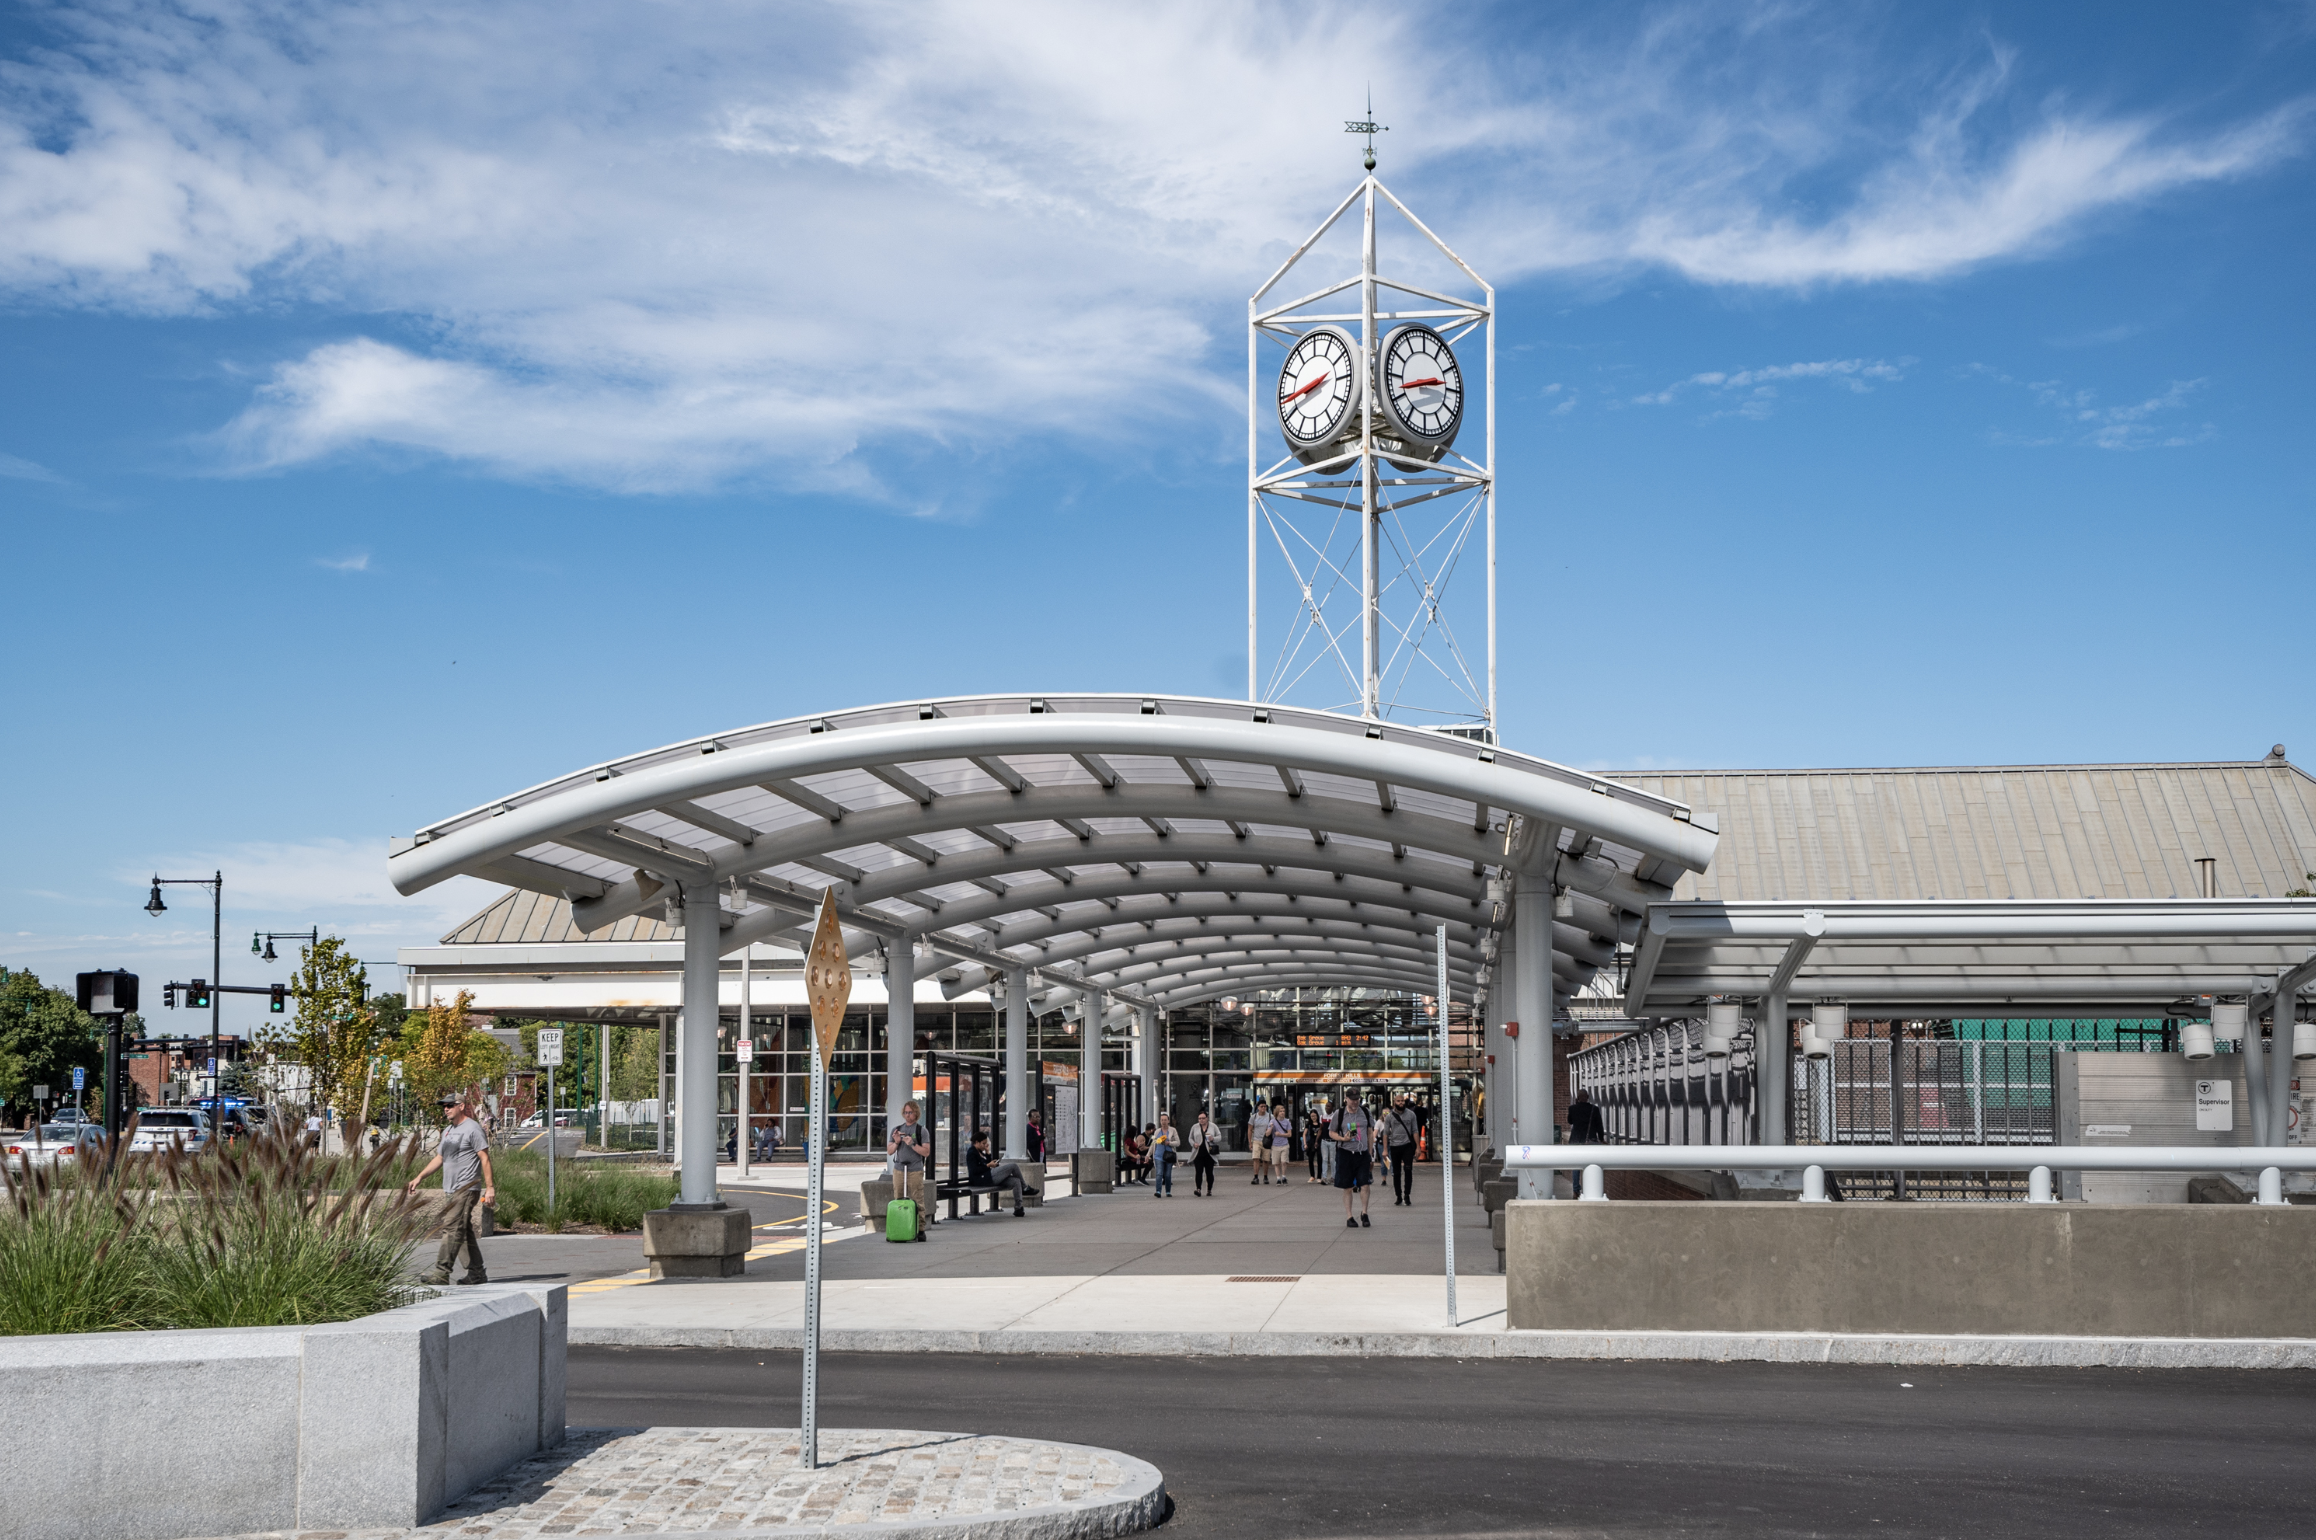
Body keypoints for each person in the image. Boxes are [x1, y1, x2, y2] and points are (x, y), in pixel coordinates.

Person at [404, 1094, 496, 1285]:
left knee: (452, 1227)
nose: (446, 1109)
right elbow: (440, 1158)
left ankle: (441, 1272)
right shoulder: (447, 1131)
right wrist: (420, 1177)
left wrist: (490, 1188)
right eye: (444, 1106)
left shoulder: (472, 1129)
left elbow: (485, 1158)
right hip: (450, 1189)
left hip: (467, 1187)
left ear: (461, 1106)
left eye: (450, 1106)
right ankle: (477, 1273)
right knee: (462, 1230)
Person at [887, 1099, 932, 1237]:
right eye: (906, 1112)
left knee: (917, 1198)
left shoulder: (921, 1131)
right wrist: (897, 1142)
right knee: (898, 1197)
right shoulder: (897, 1130)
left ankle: (920, 1229)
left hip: (915, 1168)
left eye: (910, 1113)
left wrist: (912, 1144)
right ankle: (900, 1226)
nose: (908, 1115)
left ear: (916, 1113)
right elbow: (889, 1151)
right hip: (900, 1168)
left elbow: (926, 1152)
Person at [1331, 1089, 1375, 1228]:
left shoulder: (1366, 1113)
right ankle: (1349, 1216)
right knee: (1348, 1186)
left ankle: (1364, 1213)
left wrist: (1370, 1152)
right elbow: (1331, 1132)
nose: (1355, 1102)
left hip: (1362, 1153)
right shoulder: (1339, 1114)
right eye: (1352, 1099)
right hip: (1345, 1153)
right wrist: (1343, 1138)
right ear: (1346, 1099)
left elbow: (1369, 1132)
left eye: (1357, 1099)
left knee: (1365, 1184)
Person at [965, 1131, 1031, 1216]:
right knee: (1013, 1166)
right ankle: (1025, 1188)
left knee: (1016, 1181)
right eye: (983, 1143)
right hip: (982, 1179)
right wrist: (989, 1165)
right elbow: (974, 1170)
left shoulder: (980, 1152)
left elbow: (986, 1163)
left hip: (988, 1176)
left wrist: (988, 1153)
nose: (985, 1145)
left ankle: (1018, 1208)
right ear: (976, 1142)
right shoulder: (971, 1153)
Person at [1383, 1093, 1424, 1207]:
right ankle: (1398, 1196)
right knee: (1396, 1173)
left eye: (1402, 1101)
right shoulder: (1390, 1117)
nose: (1401, 1103)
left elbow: (1415, 1131)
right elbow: (1385, 1133)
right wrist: (1385, 1149)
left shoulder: (1411, 1115)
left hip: (1407, 1146)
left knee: (1408, 1170)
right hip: (1394, 1146)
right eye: (1398, 1101)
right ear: (1394, 1103)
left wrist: (1418, 1147)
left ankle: (1407, 1195)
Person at [1149, 1112, 1179, 1197]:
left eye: (1165, 1120)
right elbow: (1153, 1144)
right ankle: (1158, 1191)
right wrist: (1148, 1155)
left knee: (1168, 1174)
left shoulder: (1173, 1130)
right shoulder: (1157, 1132)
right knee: (1159, 1173)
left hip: (1169, 1155)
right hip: (1158, 1155)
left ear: (1168, 1121)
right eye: (1162, 1120)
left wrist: (1169, 1143)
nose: (1163, 1122)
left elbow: (1178, 1142)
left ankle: (1168, 1191)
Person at [1266, 1100, 1294, 1184]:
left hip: (1284, 1144)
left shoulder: (1287, 1121)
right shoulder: (1272, 1122)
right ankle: (1278, 1178)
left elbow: (1289, 1134)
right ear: (1277, 1112)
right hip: (1275, 1145)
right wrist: (1271, 1128)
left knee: (1284, 1162)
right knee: (1276, 1163)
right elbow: (1267, 1134)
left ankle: (1284, 1176)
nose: (1282, 1113)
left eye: (1283, 1111)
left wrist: (1281, 1134)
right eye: (1280, 1111)